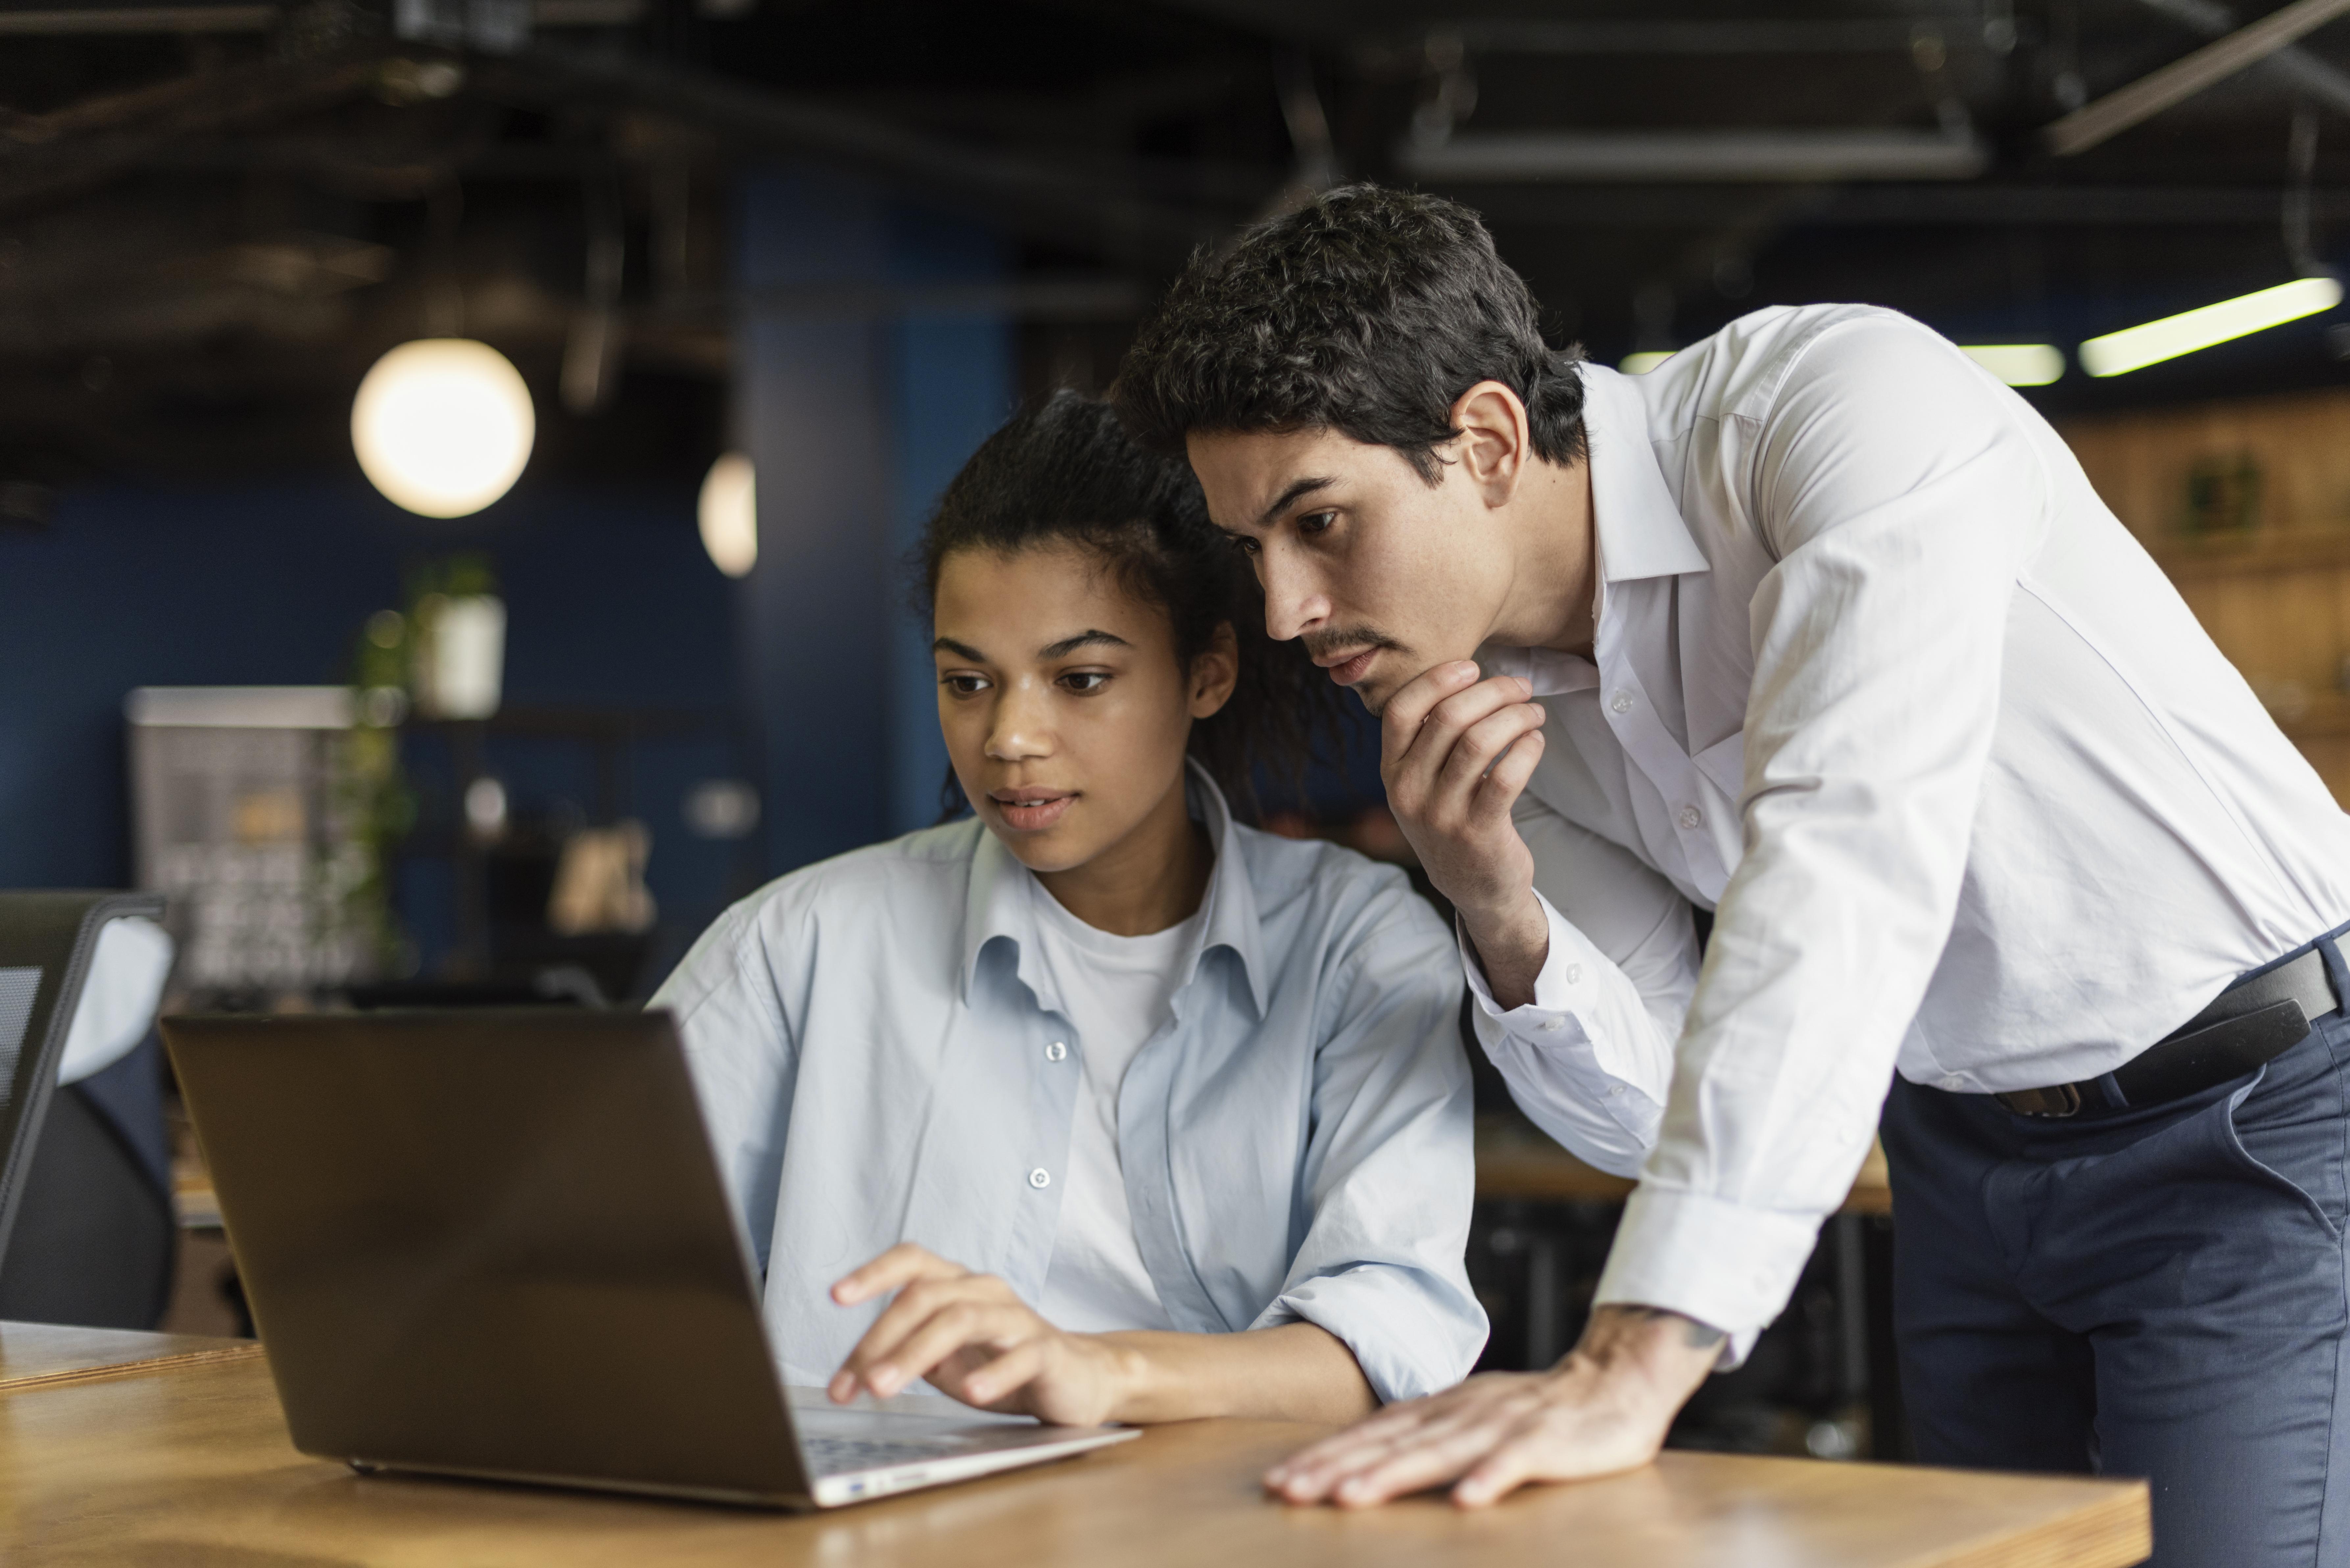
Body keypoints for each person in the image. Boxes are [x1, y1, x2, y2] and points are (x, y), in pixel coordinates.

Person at [1112, 184, 2350, 1563]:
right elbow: (1656, 1117)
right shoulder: (1486, 698)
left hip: (2251, 1118)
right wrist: (1492, 900)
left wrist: (1630, 1361)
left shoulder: (1840, 412)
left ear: (1482, 439)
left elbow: (1845, 857)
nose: (1284, 609)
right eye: (1249, 550)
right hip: (1959, 1155)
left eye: (1319, 523)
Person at [648, 391, 1483, 1429]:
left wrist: (1098, 1371)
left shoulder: (1355, 946)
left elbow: (1392, 1335)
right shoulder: (799, 944)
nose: (1009, 737)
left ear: (1207, 673)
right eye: (967, 682)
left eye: (1080, 678)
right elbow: (591, 1265)